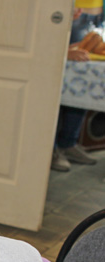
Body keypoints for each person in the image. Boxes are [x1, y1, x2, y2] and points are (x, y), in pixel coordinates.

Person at [51, 2, 103, 171]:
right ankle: (51, 149)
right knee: (56, 91)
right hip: (65, 11)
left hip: (93, 13)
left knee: (83, 85)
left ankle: (68, 143)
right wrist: (61, 51)